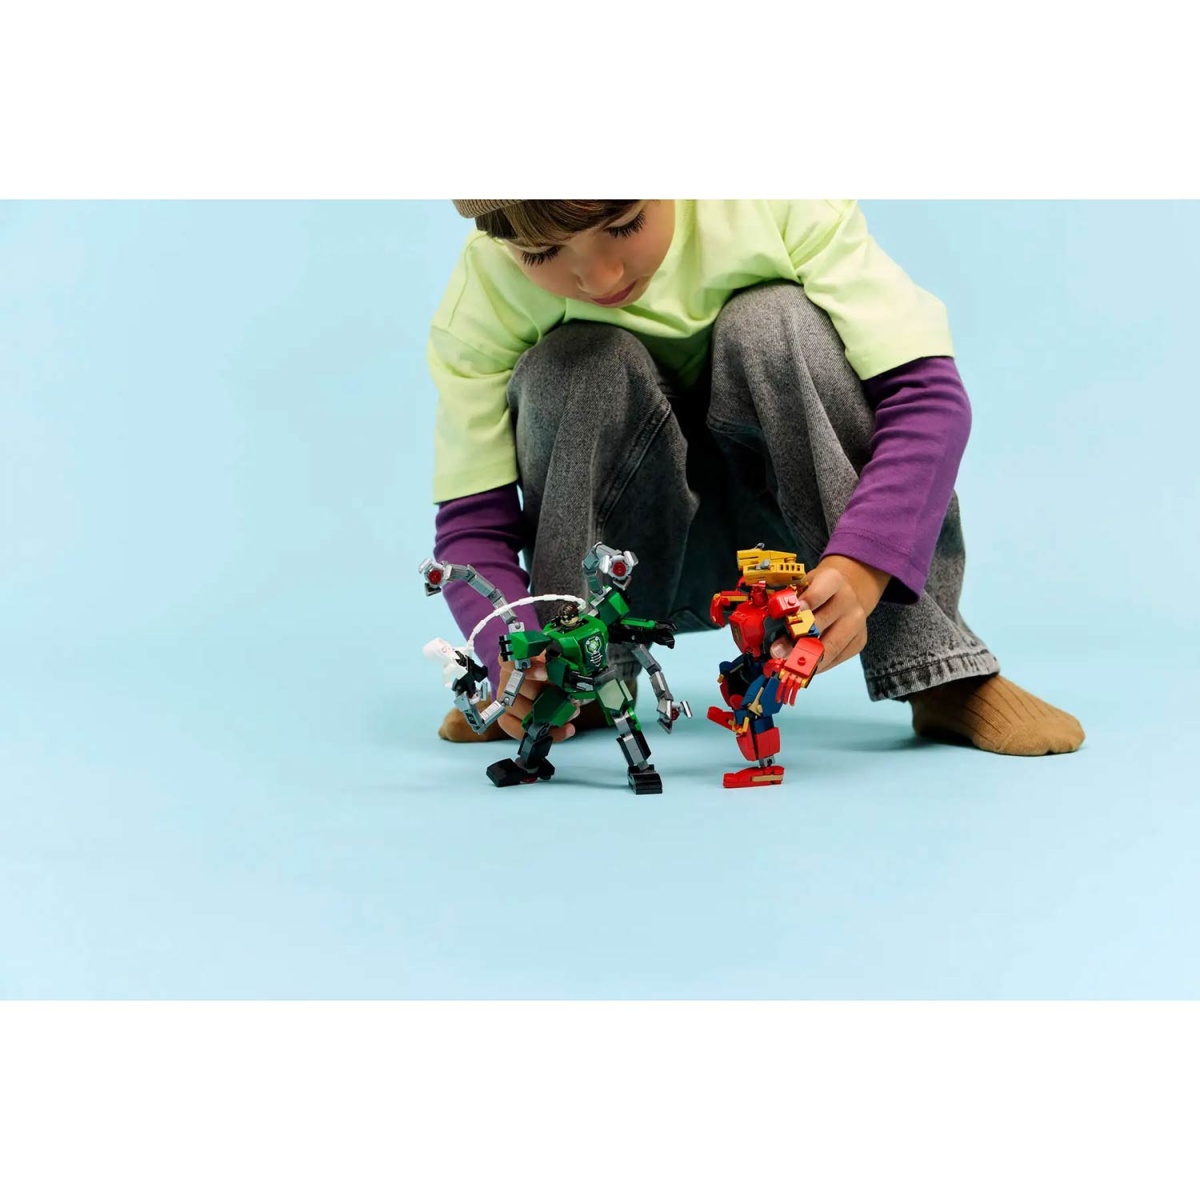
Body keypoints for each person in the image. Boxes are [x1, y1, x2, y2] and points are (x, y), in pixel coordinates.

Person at [426, 199, 1084, 756]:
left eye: (624, 226)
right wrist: (507, 647)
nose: (599, 275)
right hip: (625, 570)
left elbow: (927, 399)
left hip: (808, 545)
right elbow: (473, 521)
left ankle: (938, 669)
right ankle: (570, 681)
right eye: (542, 253)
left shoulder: (772, 196)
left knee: (774, 320)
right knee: (573, 366)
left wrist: (863, 567)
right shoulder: (485, 289)